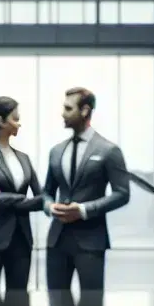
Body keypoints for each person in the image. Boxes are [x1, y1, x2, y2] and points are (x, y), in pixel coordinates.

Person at [43, 87, 129, 292]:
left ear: (85, 111)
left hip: (91, 241)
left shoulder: (109, 150)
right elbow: (46, 192)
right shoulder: (56, 151)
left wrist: (83, 210)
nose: (62, 113)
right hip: (57, 241)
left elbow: (122, 194)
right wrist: (49, 207)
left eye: (68, 108)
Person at [0, 96, 43, 292]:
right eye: (15, 118)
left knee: (19, 300)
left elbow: (42, 198)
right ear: (0, 121)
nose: (19, 124)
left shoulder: (24, 159)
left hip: (22, 238)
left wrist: (8, 198)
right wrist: (26, 200)